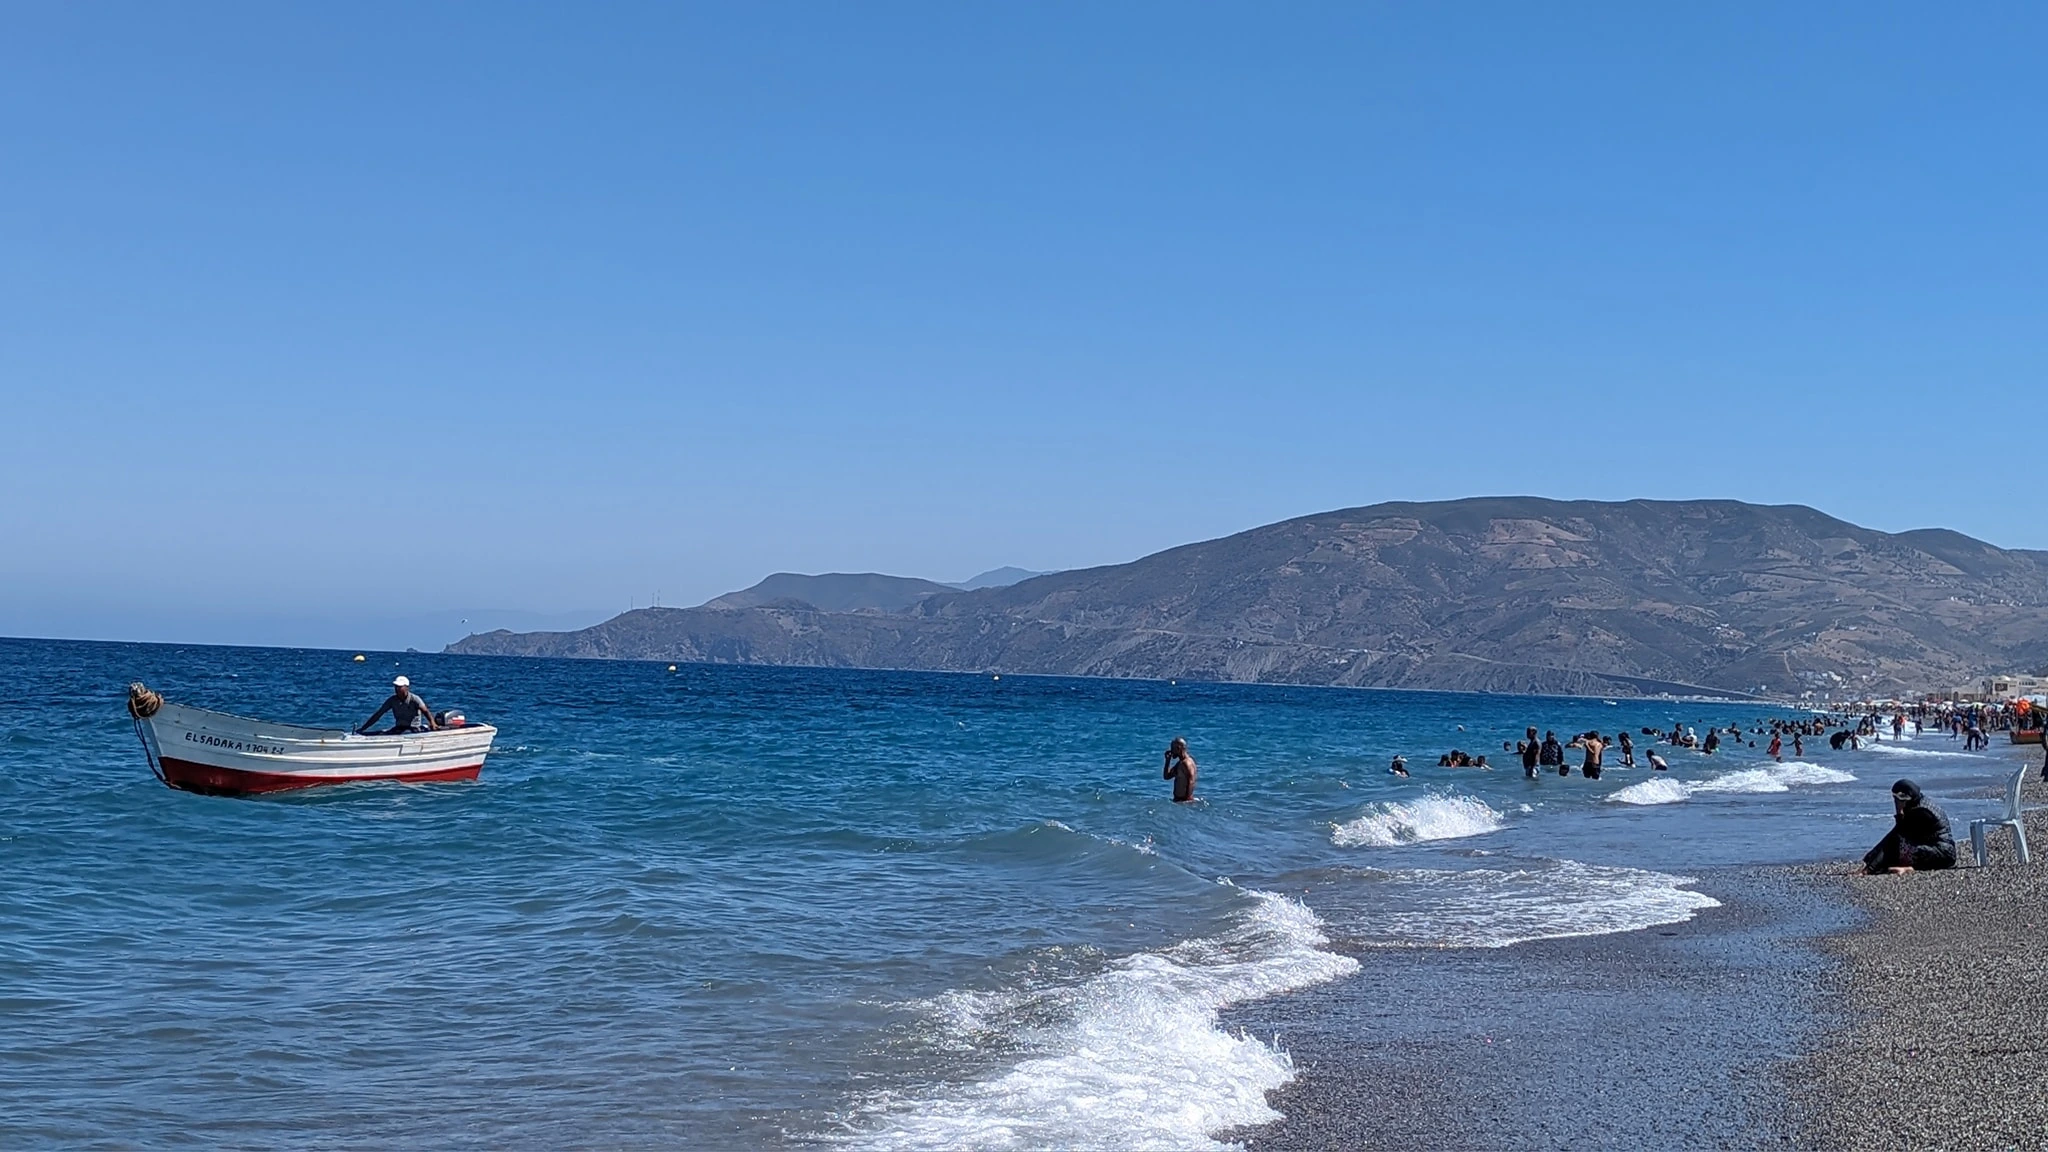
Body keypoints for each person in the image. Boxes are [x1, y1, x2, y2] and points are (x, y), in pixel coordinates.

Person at [1860, 779, 1956, 874]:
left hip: (1943, 855)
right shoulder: (1918, 803)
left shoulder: (1921, 812)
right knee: (1897, 846)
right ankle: (1874, 866)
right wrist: (1871, 856)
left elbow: (1898, 834)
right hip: (1940, 851)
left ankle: (1910, 868)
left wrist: (1899, 812)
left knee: (1899, 845)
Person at [358, 675, 437, 735]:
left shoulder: (414, 699)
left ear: (406, 687)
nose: (397, 689)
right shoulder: (392, 700)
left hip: (413, 728)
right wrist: (363, 728)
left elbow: (426, 711)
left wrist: (432, 723)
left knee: (404, 732)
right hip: (399, 727)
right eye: (396, 687)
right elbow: (379, 714)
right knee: (383, 733)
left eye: (400, 687)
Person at [1163, 737, 1197, 802]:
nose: (1171, 751)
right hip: (1179, 800)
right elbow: (1166, 776)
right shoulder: (1180, 763)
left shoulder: (1186, 763)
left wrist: (1187, 800)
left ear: (1178, 748)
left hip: (1183, 801)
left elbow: (1191, 781)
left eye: (1173, 749)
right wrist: (1167, 761)